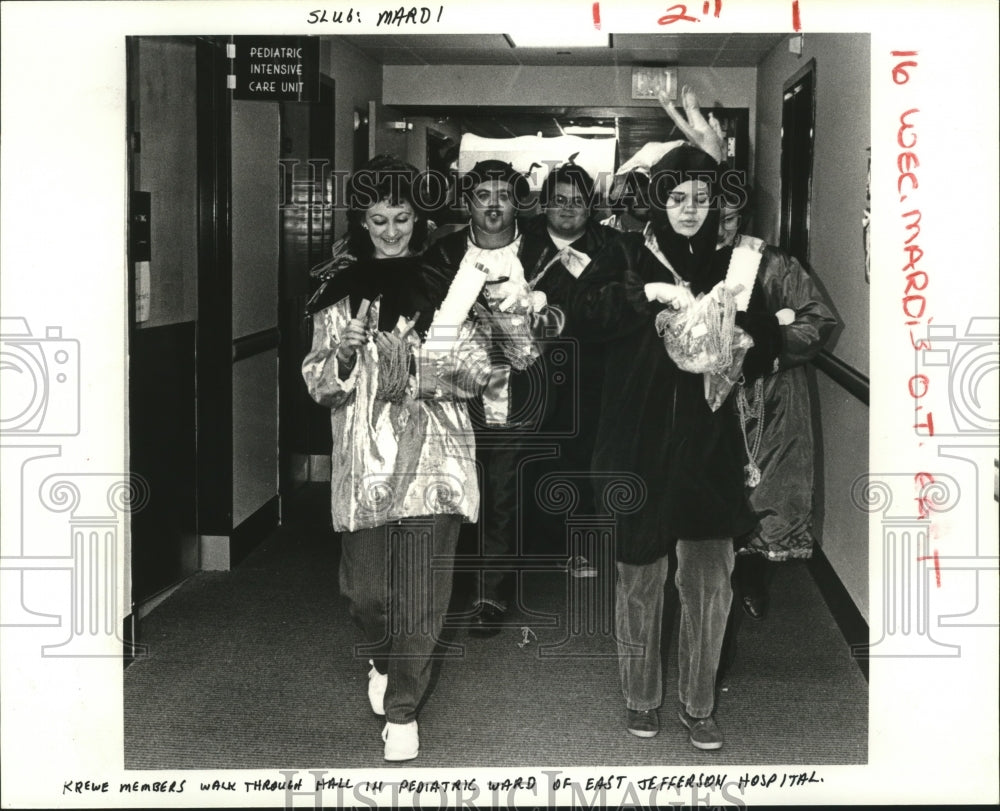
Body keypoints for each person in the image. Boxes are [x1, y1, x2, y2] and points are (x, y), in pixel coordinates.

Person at [569, 142, 783, 750]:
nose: (689, 208)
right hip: (638, 446)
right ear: (659, 199)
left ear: (716, 201)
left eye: (701, 197)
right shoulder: (625, 252)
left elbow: (766, 338)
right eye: (677, 196)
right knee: (640, 580)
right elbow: (585, 311)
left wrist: (740, 333)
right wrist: (651, 295)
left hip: (710, 450)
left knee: (710, 584)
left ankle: (698, 704)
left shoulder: (735, 265)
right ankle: (641, 698)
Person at [301, 156, 491, 762]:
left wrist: (439, 368)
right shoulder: (336, 292)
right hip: (367, 462)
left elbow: (482, 372)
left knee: (423, 595)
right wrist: (347, 356)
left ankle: (404, 712)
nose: (390, 231)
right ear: (362, 220)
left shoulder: (451, 282)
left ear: (419, 216)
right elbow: (318, 384)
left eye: (402, 217)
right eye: (378, 219)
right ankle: (383, 659)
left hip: (436, 456)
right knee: (365, 594)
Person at [424, 159, 566, 636]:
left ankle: (491, 592)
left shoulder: (543, 250)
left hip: (516, 385)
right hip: (450, 391)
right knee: (448, 482)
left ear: (516, 201)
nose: (493, 204)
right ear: (468, 202)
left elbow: (566, 317)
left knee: (502, 484)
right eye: (482, 195)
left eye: (503, 195)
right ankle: (437, 589)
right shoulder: (442, 253)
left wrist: (538, 318)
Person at [716, 184, 838, 619]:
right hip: (707, 397)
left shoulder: (771, 263)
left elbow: (818, 320)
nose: (719, 226)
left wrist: (763, 345)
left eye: (728, 218)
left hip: (770, 396)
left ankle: (750, 576)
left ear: (742, 217)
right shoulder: (684, 257)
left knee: (765, 488)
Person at [520, 162, 620, 579]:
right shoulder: (522, 246)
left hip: (594, 372)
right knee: (538, 459)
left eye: (577, 202)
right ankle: (541, 546)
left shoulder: (613, 245)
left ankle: (590, 547)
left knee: (589, 462)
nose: (567, 209)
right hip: (532, 372)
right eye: (558, 200)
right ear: (545, 205)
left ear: (591, 207)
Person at [601, 170, 652, 234]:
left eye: (651, 195)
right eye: (644, 199)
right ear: (625, 207)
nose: (651, 203)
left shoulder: (660, 226)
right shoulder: (605, 232)